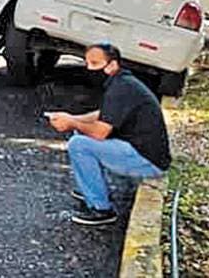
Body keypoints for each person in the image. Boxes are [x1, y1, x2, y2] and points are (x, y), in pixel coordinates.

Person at [46, 43, 171, 226]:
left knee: (79, 144)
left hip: (148, 162)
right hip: (142, 152)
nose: (89, 69)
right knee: (80, 131)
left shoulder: (121, 88)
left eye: (95, 64)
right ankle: (92, 190)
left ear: (112, 65)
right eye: (87, 63)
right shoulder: (123, 83)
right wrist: (72, 118)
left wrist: (71, 122)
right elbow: (101, 114)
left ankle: (101, 209)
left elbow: (99, 133)